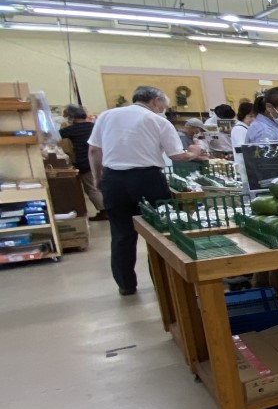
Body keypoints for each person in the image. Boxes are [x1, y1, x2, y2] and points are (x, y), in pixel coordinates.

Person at [88, 86, 205, 295]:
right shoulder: (158, 121)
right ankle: (163, 284)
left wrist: (98, 178)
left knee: (121, 234)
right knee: (159, 233)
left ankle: (126, 285)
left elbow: (94, 150)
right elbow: (177, 156)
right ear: (155, 101)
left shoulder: (106, 116)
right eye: (163, 105)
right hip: (147, 179)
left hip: (114, 179)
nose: (163, 109)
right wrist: (194, 152)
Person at [59, 104, 106, 221]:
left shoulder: (72, 129)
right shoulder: (93, 126)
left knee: (91, 188)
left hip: (85, 162)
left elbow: (53, 136)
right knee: (101, 186)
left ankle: (105, 211)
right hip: (102, 159)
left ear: (72, 117)